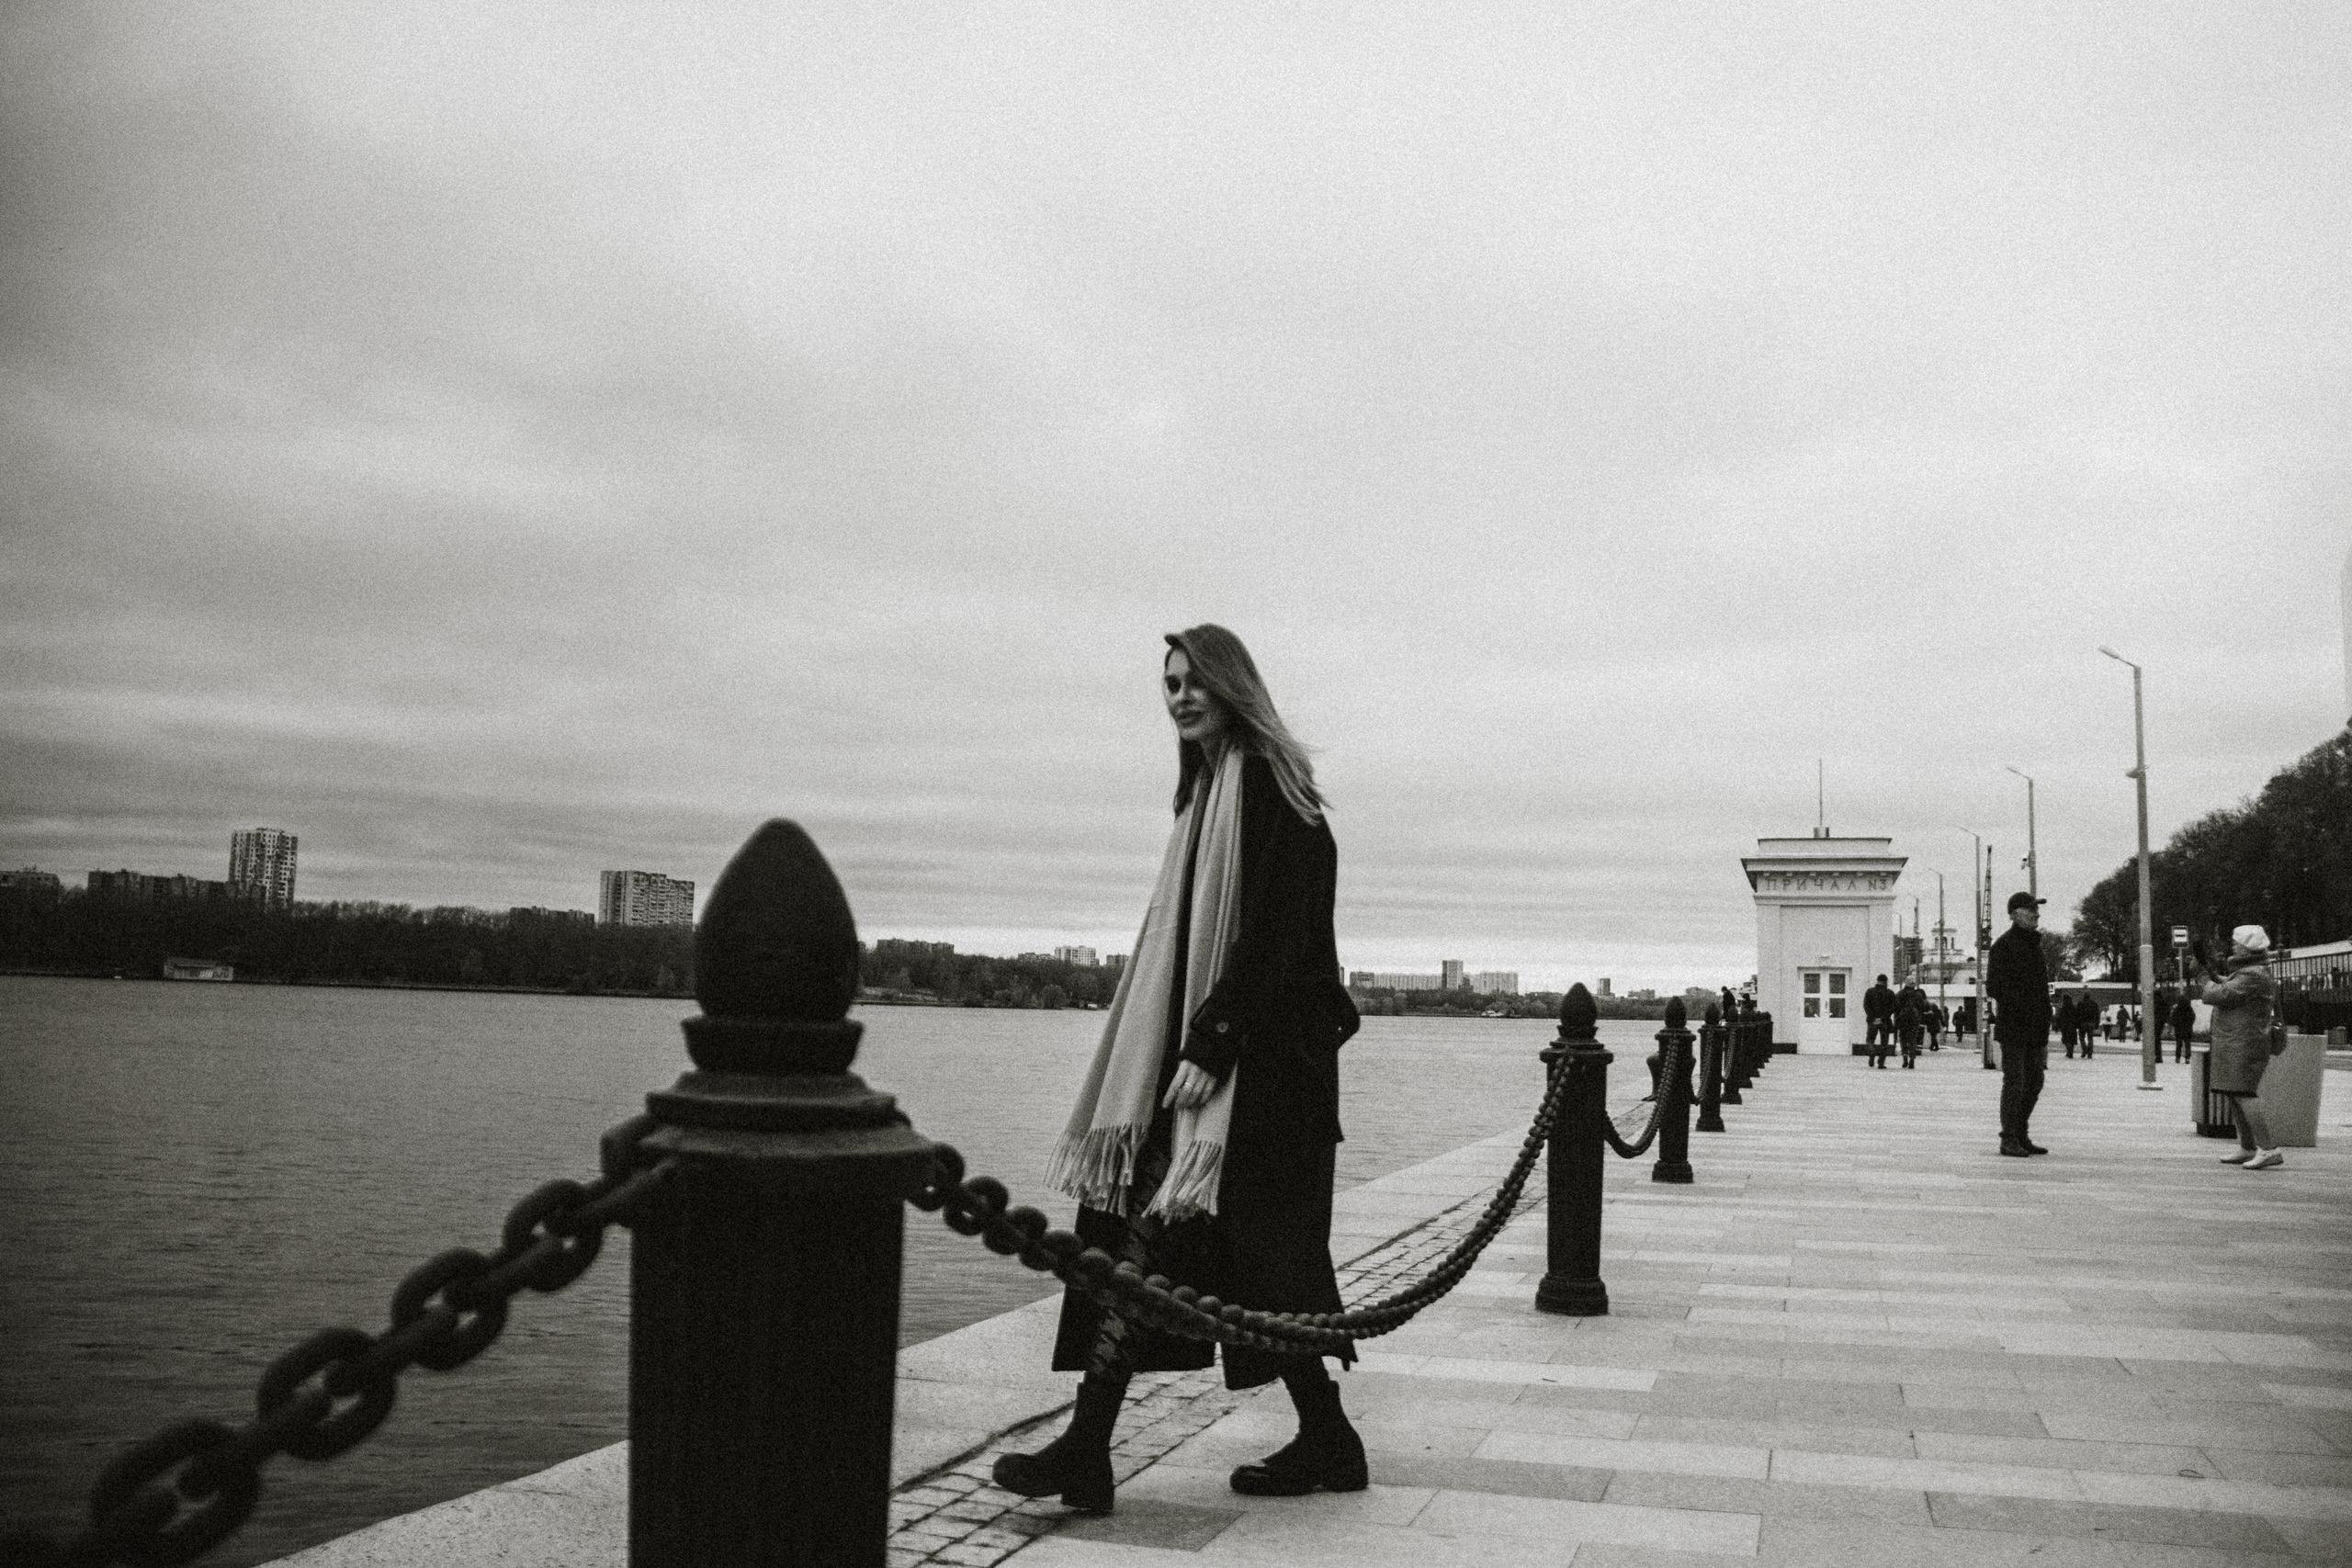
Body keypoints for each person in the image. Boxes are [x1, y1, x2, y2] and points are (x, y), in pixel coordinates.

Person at [993, 625, 1365, 1515]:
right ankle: (1099, 1447)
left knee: (1245, 1264)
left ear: (1232, 686)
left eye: (1195, 681)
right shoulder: (1202, 799)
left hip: (1259, 1079)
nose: (1180, 697)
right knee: (1152, 1248)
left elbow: (1276, 936)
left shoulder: (1273, 789)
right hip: (1212, 1071)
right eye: (1169, 685)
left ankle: (1316, 1435)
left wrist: (1212, 1042)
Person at [2201, 927, 2284, 1170]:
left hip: (2245, 1043)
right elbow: (2229, 985)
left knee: (2244, 1093)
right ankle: (2247, 1147)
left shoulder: (2253, 974)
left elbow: (2222, 994)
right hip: (2239, 1042)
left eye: (2237, 943)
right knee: (2234, 1093)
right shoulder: (2250, 971)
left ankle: (2269, 1149)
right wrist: (2212, 974)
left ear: (2248, 948)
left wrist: (2204, 980)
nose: (2233, 946)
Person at [1985, 892, 2051, 1156]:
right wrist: (2022, 1003)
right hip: (2014, 1026)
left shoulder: (2034, 945)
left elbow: (2041, 989)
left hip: (2036, 1027)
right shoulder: (2004, 946)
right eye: (2030, 909)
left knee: (2035, 1082)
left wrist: (2044, 1019)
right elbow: (1994, 986)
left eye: (2037, 908)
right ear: (2013, 914)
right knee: (2015, 1082)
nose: (2037, 913)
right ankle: (2009, 1137)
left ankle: (2021, 1132)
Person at [1863, 974, 1896, 1064]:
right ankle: (1881, 1062)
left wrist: (1873, 1017)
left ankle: (1872, 1052)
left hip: (1872, 1021)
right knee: (1884, 1042)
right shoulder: (1890, 993)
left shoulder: (1870, 991)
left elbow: (1866, 1005)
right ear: (1886, 982)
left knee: (1870, 1039)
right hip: (1885, 1021)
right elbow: (1892, 1008)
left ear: (1877, 981)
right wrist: (1882, 1018)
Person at [1895, 984, 1925, 1067]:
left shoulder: (1900, 993)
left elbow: (1896, 1006)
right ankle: (1912, 1059)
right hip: (1914, 1020)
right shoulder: (1918, 994)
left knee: (1903, 1039)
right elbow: (1922, 1006)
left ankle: (1905, 1058)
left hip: (1903, 1020)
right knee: (1912, 1039)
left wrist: (1897, 1018)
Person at [2170, 991, 2196, 1064]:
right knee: (2187, 1044)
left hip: (2179, 1029)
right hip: (2187, 1029)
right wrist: (2190, 1024)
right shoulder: (2189, 1009)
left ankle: (2178, 1057)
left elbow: (2172, 1018)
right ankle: (2187, 1058)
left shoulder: (2177, 1009)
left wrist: (2175, 1024)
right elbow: (2193, 1017)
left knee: (2179, 1044)